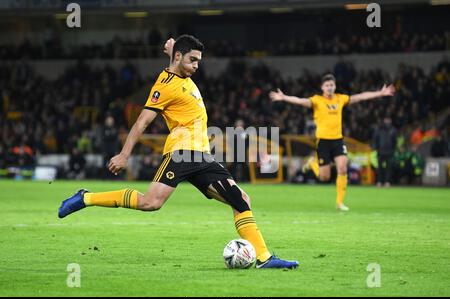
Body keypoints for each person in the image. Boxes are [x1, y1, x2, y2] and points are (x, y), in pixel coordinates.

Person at [58, 35, 298, 269]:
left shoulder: (181, 71)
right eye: (192, 60)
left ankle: (264, 257)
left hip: (202, 156)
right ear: (180, 57)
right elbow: (142, 121)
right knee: (150, 203)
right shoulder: (165, 87)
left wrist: (174, 51)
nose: (196, 66)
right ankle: (86, 198)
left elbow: (177, 61)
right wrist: (124, 154)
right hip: (180, 154)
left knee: (241, 198)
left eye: (198, 62)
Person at [269, 74, 395, 211]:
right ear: (322, 87)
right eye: (327, 85)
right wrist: (284, 97)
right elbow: (300, 101)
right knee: (324, 177)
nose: (330, 87)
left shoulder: (340, 99)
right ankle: (312, 164)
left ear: (335, 86)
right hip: (323, 142)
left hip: (337, 140)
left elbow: (359, 97)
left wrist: (379, 93)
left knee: (342, 168)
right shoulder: (317, 100)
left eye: (332, 85)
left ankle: (339, 203)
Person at [373, 117, 397, 187]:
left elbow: (394, 141)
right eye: (386, 119)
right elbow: (375, 140)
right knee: (379, 168)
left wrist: (393, 150)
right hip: (380, 151)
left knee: (388, 168)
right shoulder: (379, 129)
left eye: (388, 119)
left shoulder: (393, 130)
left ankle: (387, 181)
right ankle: (379, 181)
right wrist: (376, 149)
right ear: (384, 120)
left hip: (389, 152)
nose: (387, 121)